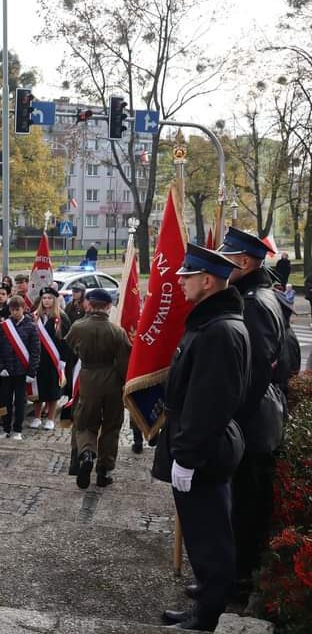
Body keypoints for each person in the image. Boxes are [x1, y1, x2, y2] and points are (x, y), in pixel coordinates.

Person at [155, 244, 249, 632]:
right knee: (202, 531)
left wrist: (188, 455)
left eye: (186, 277)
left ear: (207, 281)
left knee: (210, 536)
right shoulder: (212, 324)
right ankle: (207, 598)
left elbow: (207, 402)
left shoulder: (218, 331)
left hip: (203, 451)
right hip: (199, 445)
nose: (180, 283)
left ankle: (207, 615)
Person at [217, 228, 287, 600]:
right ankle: (233, 576)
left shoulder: (255, 302)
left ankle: (236, 581)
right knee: (244, 504)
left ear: (244, 262)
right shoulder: (260, 294)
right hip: (258, 419)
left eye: (226, 258)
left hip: (252, 422)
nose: (221, 264)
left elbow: (256, 369)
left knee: (244, 508)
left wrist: (230, 416)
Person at [64, 289, 131, 488]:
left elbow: (70, 345)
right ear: (109, 307)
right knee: (111, 426)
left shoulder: (78, 327)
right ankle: (104, 470)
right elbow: (124, 364)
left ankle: (86, 453)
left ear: (89, 305)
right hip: (112, 381)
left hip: (88, 378)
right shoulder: (117, 331)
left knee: (85, 422)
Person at [0, 295, 39, 440]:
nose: (14, 312)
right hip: (6, 371)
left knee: (20, 402)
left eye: (17, 309)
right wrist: (1, 367)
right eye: (12, 310)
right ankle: (5, 428)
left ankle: (17, 430)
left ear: (23, 309)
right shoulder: (4, 326)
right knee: (4, 402)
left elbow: (35, 351)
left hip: (22, 371)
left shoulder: (31, 326)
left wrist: (31, 372)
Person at [30, 287, 70, 431]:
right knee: (37, 388)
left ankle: (50, 418)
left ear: (55, 300)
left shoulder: (61, 317)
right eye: (44, 298)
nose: (47, 301)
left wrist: (63, 360)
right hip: (38, 359)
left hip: (54, 359)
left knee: (52, 389)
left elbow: (65, 340)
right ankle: (36, 417)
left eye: (50, 298)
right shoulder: (34, 316)